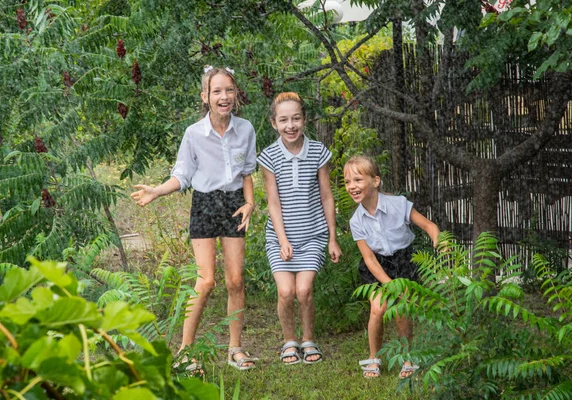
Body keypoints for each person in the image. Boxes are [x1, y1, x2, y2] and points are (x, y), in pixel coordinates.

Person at [131, 66, 257, 371]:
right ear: (205, 97)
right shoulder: (194, 134)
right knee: (206, 281)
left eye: (229, 90)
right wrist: (157, 191)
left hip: (234, 205)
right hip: (204, 204)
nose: (223, 96)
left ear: (236, 94)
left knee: (236, 280)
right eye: (216, 91)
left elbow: (247, 174)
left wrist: (250, 202)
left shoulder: (246, 130)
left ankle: (235, 349)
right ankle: (185, 352)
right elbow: (182, 175)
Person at [257, 92, 342, 365]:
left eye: (295, 118)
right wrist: (282, 239)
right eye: (283, 120)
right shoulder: (269, 156)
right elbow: (273, 203)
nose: (290, 125)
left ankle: (308, 339)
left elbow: (327, 196)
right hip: (280, 236)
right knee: (286, 292)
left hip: (313, 235)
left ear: (304, 119)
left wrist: (332, 238)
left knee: (304, 290)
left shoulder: (318, 151)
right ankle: (289, 341)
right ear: (274, 123)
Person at [343, 155, 439, 379]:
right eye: (347, 182)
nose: (351, 187)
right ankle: (374, 357)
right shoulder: (356, 221)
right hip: (377, 266)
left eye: (357, 180)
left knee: (401, 308)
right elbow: (369, 259)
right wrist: (388, 284)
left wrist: (439, 242)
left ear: (375, 181)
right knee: (378, 308)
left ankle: (408, 357)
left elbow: (429, 226)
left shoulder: (398, 204)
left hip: (404, 262)